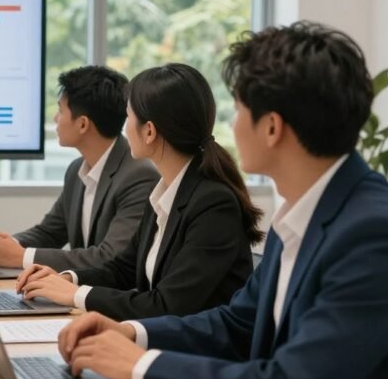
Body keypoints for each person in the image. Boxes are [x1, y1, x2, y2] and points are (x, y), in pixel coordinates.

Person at [58, 23, 388, 379]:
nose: (231, 123)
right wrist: (132, 333)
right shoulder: (301, 213)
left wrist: (141, 367)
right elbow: (236, 323)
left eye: (240, 109)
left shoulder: (375, 234)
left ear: (272, 128)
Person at [15, 63, 259, 320]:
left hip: (195, 344)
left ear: (149, 131)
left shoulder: (213, 203)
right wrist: (67, 279)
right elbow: (124, 268)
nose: (125, 127)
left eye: (129, 117)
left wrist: (76, 295)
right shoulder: (165, 192)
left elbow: (167, 305)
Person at [0, 66, 158, 270]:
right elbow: (49, 233)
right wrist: (1, 246)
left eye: (61, 111)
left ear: (82, 124)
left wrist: (22, 256)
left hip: (108, 290)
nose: (55, 118)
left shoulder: (138, 175)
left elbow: (111, 256)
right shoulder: (76, 170)